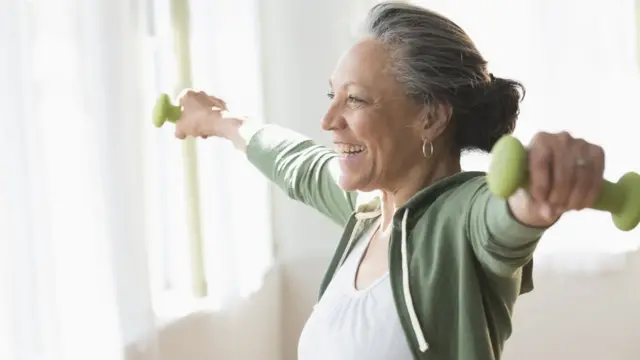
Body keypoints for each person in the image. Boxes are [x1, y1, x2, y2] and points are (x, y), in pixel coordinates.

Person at [173, 2, 605, 359]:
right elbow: (299, 165)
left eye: (355, 99)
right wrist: (219, 121)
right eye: (333, 96)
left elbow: (502, 218)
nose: (327, 120)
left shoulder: (460, 219)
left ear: (430, 118)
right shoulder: (368, 213)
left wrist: (536, 197)